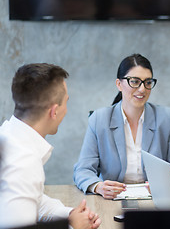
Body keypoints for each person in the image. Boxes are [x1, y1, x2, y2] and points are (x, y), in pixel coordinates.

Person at [0, 63, 101, 229]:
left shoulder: (8, 134)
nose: (66, 111)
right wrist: (73, 227)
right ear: (54, 111)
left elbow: (34, 200)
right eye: (66, 102)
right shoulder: (23, 162)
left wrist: (69, 215)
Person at [73, 53, 170, 199]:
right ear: (119, 84)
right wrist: (98, 186)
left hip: (157, 198)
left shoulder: (168, 118)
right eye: (134, 81)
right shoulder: (99, 119)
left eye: (147, 82)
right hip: (111, 200)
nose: (142, 89)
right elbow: (82, 170)